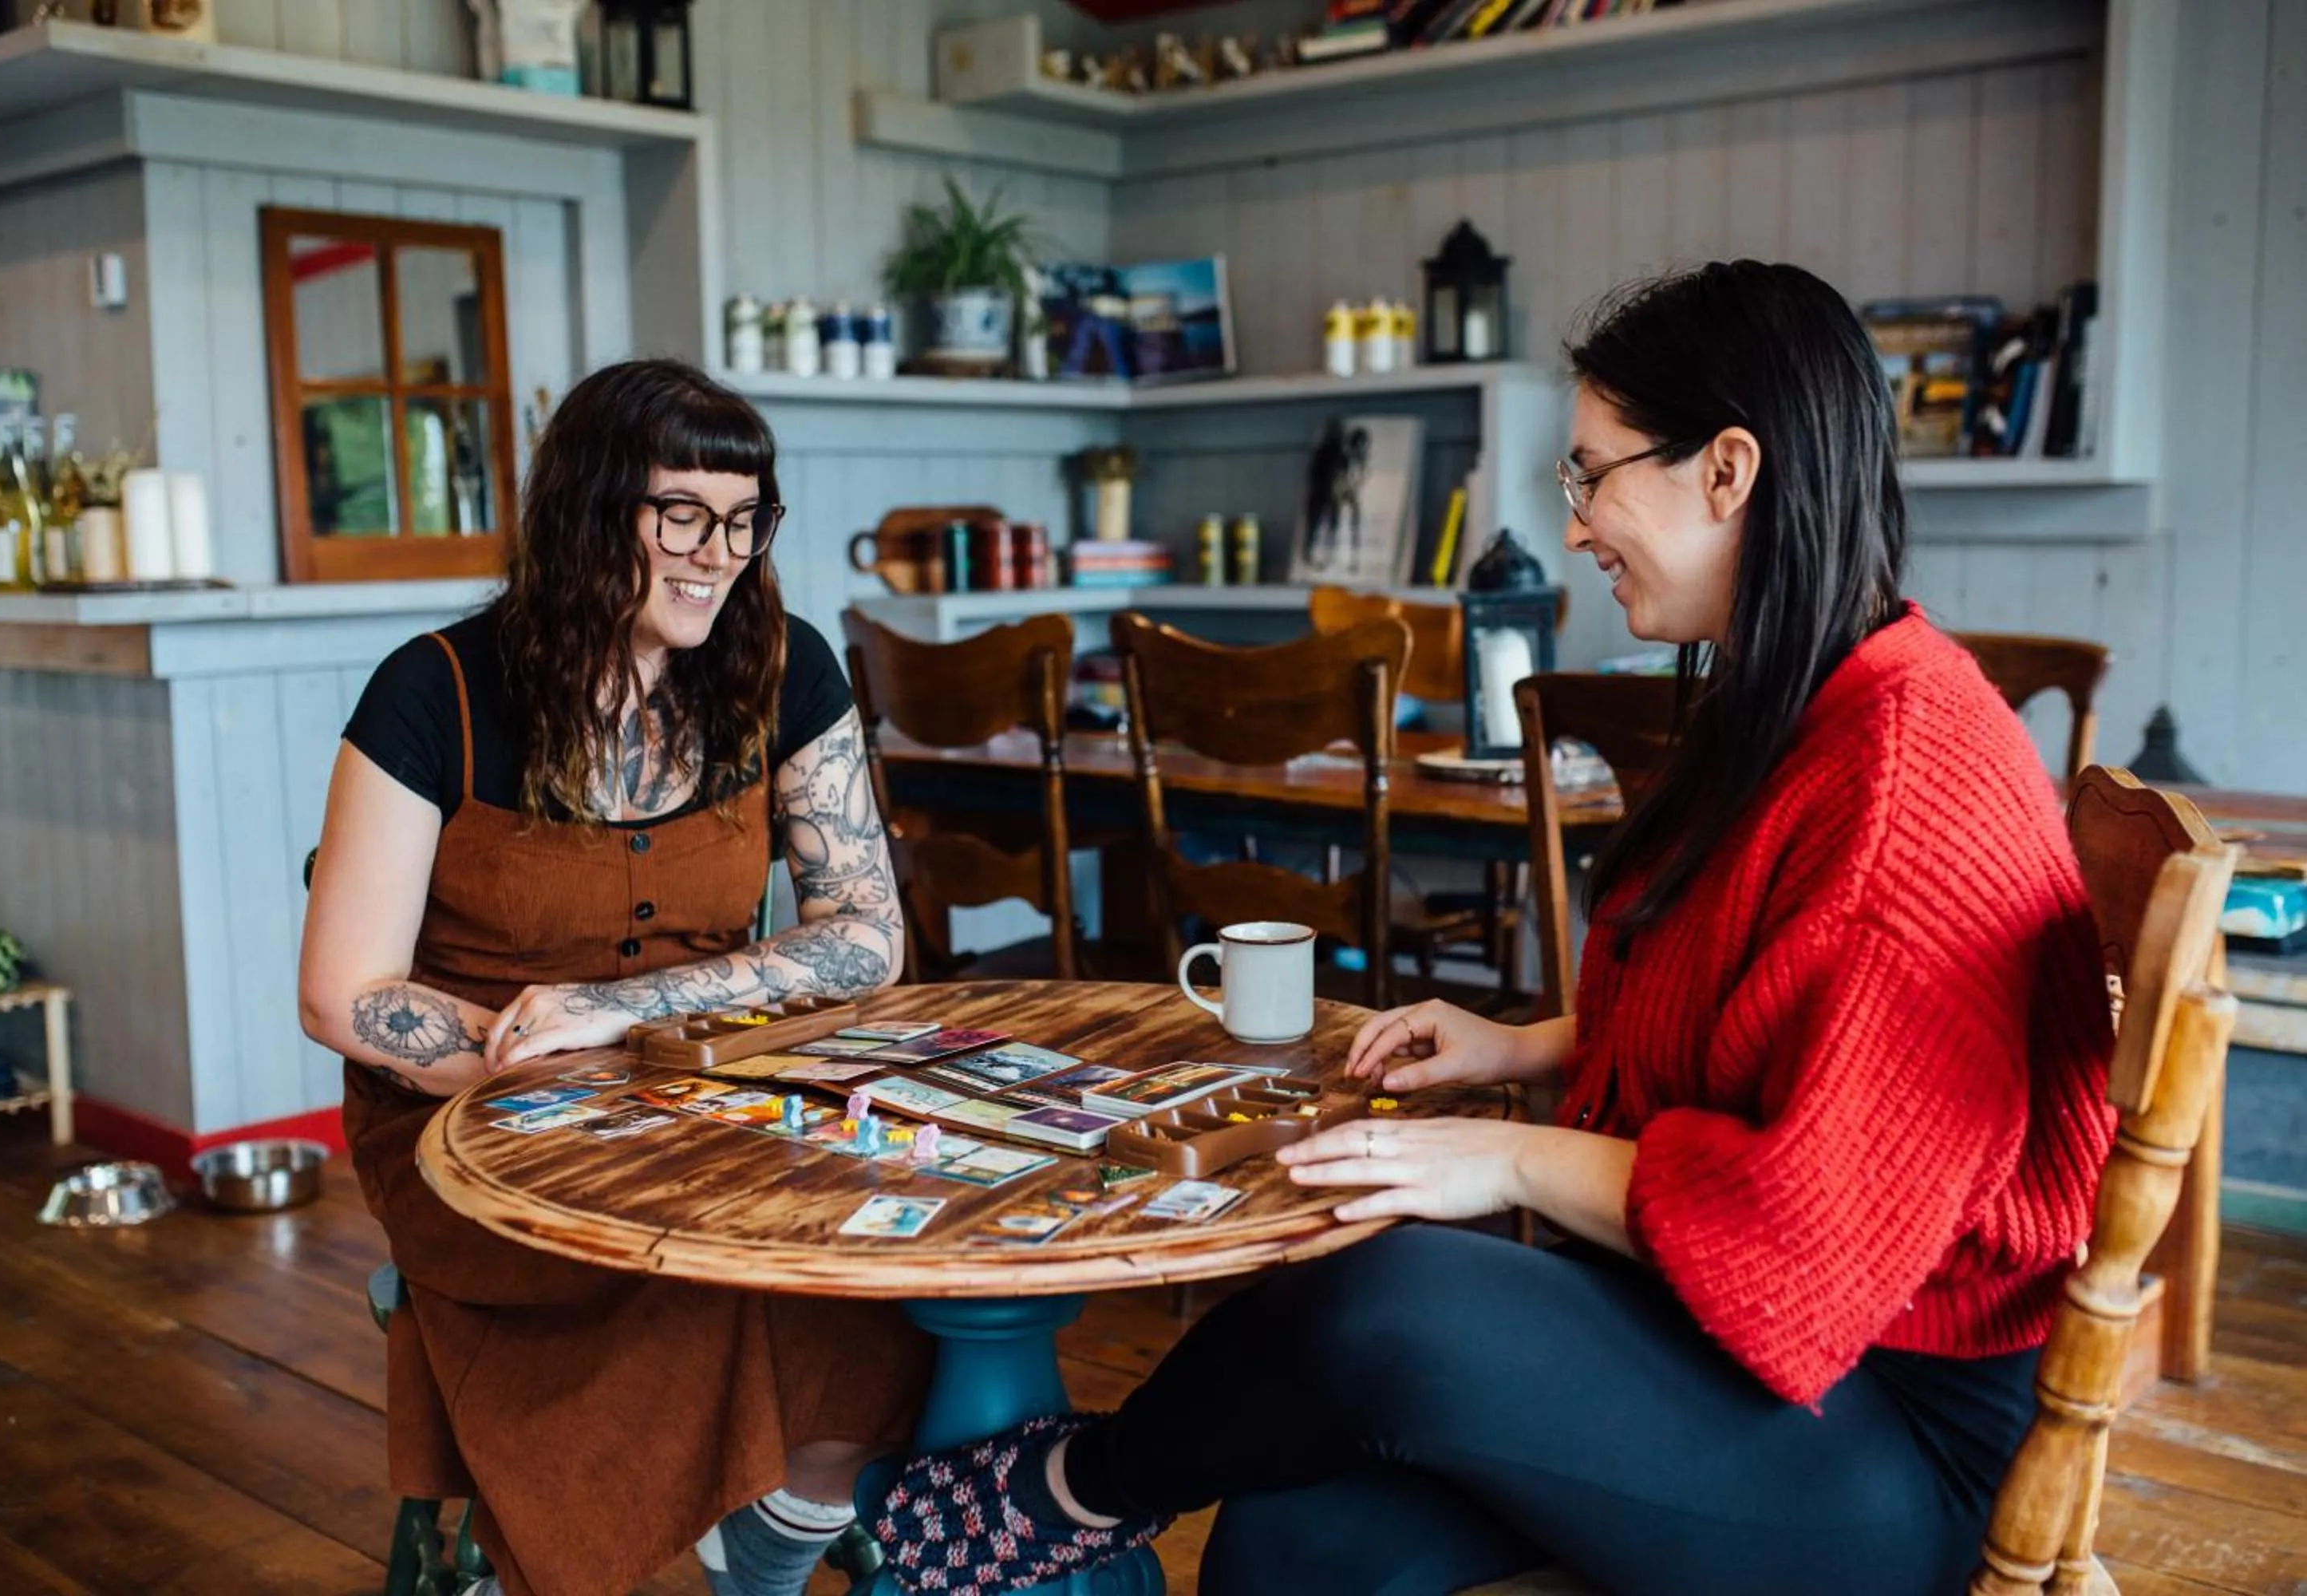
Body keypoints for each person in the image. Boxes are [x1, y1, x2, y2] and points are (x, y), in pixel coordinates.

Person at [869, 262, 2119, 1596]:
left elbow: (1803, 1250)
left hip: (1895, 1438)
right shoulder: (1816, 704)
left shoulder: (1904, 783)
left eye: (1591, 477)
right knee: (1287, 1547)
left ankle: (1074, 1488)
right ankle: (1089, 1490)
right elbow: (1783, 1034)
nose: (1574, 527)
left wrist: (1515, 1163)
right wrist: (1525, 1050)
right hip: (1777, 1369)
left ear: (1729, 471)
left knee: (1394, 1295)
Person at [298, 359, 931, 1596]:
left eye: (745, 522)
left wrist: (626, 1015)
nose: (719, 555)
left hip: (707, 1099)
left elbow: (867, 934)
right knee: (674, 1281)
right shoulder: (438, 689)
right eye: (681, 515)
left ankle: (765, 1547)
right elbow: (341, 994)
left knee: (876, 1284)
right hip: (470, 1123)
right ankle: (571, 1550)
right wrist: (549, 1071)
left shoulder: (782, 666)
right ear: (593, 512)